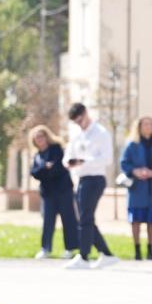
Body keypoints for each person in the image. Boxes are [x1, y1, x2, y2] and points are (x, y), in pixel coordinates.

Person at [64, 103, 118, 270]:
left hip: (95, 179)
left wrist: (84, 161)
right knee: (85, 218)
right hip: (80, 179)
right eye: (76, 122)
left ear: (86, 113)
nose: (79, 124)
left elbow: (107, 159)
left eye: (80, 120)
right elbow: (68, 155)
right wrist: (69, 162)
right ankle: (107, 254)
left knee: (85, 218)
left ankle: (84, 256)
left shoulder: (101, 133)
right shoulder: (76, 135)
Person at [121, 116, 152, 260]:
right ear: (139, 127)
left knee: (151, 220)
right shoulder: (132, 145)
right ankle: (137, 251)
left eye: (150, 124)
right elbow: (124, 163)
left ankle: (150, 250)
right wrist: (135, 171)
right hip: (137, 188)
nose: (148, 127)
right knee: (135, 220)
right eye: (145, 124)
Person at [28, 125, 78, 260]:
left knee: (68, 220)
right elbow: (34, 173)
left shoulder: (57, 149)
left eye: (41, 136)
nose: (39, 139)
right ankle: (45, 249)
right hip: (48, 194)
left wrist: (44, 171)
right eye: (36, 137)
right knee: (47, 222)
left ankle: (70, 249)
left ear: (47, 136)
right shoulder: (37, 156)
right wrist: (45, 167)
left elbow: (58, 168)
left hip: (63, 191)